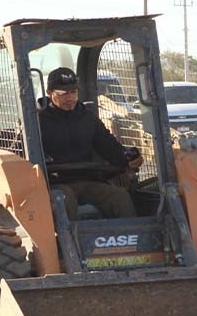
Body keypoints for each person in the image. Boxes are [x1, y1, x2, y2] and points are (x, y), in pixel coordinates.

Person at [38, 67, 143, 220]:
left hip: (88, 180)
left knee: (120, 197)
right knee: (63, 201)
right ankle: (68, 243)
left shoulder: (87, 118)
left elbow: (109, 146)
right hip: (55, 183)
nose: (70, 98)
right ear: (49, 93)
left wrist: (128, 159)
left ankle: (133, 241)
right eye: (63, 94)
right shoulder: (37, 120)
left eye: (73, 92)